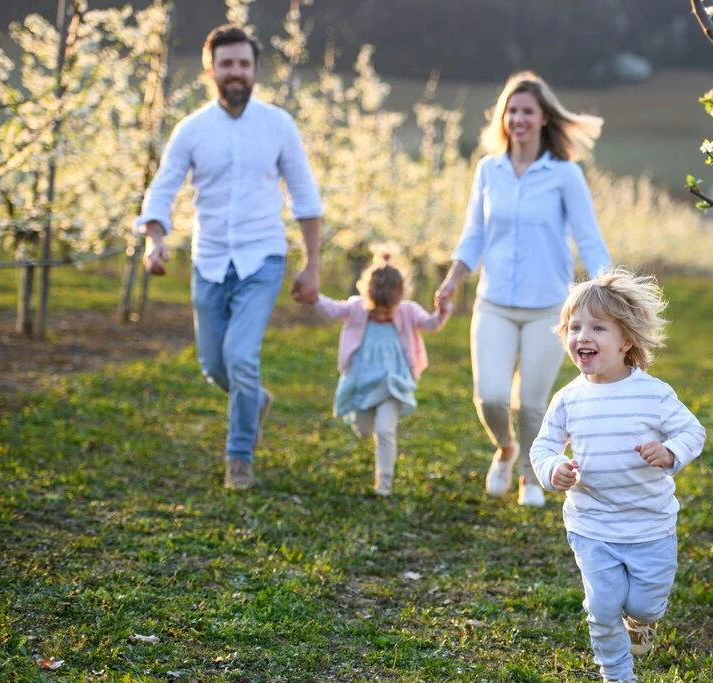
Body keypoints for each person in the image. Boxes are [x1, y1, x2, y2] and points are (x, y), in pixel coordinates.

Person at [135, 25, 324, 489]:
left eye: (243, 64)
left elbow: (305, 197)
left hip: (263, 259)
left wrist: (312, 264)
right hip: (210, 261)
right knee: (214, 366)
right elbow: (162, 189)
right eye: (227, 64)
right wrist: (153, 239)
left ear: (255, 69)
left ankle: (239, 459)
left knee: (240, 357)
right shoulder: (192, 129)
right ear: (210, 70)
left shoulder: (278, 125)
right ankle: (254, 400)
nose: (235, 72)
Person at [434, 71, 611, 508]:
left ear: (544, 117)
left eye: (527, 111)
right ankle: (506, 448)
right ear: (502, 117)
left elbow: (588, 238)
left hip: (548, 307)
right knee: (491, 398)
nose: (519, 119)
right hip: (493, 303)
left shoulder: (564, 174)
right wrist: (452, 280)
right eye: (511, 111)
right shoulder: (488, 170)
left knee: (531, 405)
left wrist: (609, 288)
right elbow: (474, 234)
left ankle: (531, 476)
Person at [530, 268, 706, 683]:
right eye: (575, 327)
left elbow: (692, 431)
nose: (582, 336)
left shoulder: (653, 393)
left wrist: (670, 451)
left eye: (597, 328)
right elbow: (543, 446)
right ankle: (616, 673)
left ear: (626, 340)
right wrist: (553, 468)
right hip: (592, 524)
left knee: (645, 604)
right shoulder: (568, 398)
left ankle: (643, 621)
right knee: (603, 607)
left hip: (650, 525)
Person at [314, 253, 451, 496]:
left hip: (393, 383)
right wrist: (312, 297)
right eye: (377, 310)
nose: (382, 314)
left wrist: (442, 311)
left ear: (399, 298)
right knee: (365, 429)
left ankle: (384, 482)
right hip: (362, 382)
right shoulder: (357, 308)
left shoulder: (408, 311)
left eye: (387, 310)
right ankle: (368, 430)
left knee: (385, 430)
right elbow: (331, 309)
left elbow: (431, 324)